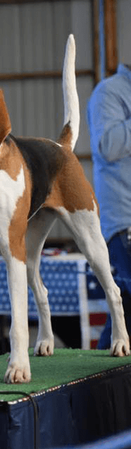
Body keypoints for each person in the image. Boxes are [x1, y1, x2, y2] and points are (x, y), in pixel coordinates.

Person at [87, 63, 131, 349]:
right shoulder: (109, 92)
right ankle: (99, 388)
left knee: (125, 312)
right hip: (125, 223)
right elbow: (109, 145)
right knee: (125, 313)